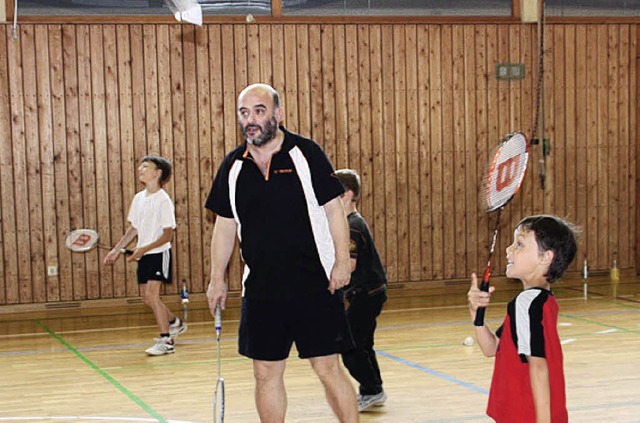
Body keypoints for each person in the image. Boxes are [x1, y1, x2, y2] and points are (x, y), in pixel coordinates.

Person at [205, 83, 358, 423]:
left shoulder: (307, 153)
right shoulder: (232, 166)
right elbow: (225, 225)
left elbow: (335, 211)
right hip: (262, 289)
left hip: (315, 284)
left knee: (327, 367)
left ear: (278, 114)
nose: (251, 120)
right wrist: (217, 279)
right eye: (244, 113)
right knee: (264, 373)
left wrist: (342, 261)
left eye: (259, 111)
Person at [467, 215, 578, 423]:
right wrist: (477, 316)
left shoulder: (527, 303)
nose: (509, 250)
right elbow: (492, 348)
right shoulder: (541, 300)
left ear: (545, 257)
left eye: (519, 244)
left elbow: (538, 366)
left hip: (526, 416)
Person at [104, 156, 186, 356]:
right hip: (144, 254)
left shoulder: (163, 200)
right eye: (141, 166)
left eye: (146, 166)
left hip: (159, 253)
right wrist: (116, 250)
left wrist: (144, 249)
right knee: (146, 298)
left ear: (157, 173)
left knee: (152, 295)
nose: (140, 169)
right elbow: (134, 229)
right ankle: (174, 322)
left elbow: (168, 235)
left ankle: (167, 340)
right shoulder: (139, 198)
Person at [334, 169, 388, 412]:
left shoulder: (352, 227)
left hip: (366, 295)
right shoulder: (348, 223)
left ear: (347, 194)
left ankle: (372, 389)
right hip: (370, 292)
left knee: (350, 347)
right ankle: (373, 389)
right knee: (364, 344)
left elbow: (350, 265)